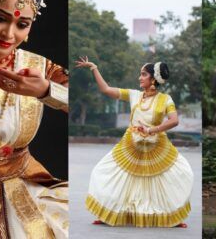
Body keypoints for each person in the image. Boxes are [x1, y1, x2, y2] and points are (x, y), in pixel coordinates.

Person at [0, 0, 69, 238]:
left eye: (21, 24)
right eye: (0, 18)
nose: (9, 34)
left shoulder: (39, 68)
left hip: (19, 184)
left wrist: (46, 90)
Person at [75, 57, 193, 227]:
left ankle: (171, 216)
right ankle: (108, 212)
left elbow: (174, 120)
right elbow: (106, 90)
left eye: (143, 74)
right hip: (131, 145)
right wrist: (94, 68)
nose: (140, 78)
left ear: (153, 79)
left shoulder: (165, 99)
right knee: (111, 174)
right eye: (140, 74)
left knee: (166, 179)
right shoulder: (134, 95)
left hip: (157, 147)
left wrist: (152, 130)